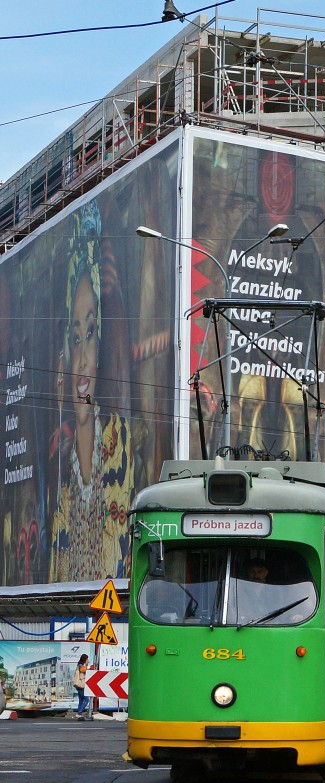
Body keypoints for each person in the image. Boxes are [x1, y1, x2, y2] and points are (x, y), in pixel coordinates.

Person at [50, 200, 133, 583]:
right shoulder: (62, 467)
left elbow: (124, 556)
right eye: (75, 339)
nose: (83, 359)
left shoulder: (120, 440)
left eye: (91, 334)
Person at [72, 654, 90, 721]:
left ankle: (79, 713)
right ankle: (79, 713)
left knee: (81, 701)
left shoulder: (79, 665)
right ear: (85, 659)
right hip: (81, 685)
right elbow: (83, 670)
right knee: (87, 700)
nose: (88, 660)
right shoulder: (81, 666)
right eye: (87, 659)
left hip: (78, 685)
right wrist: (88, 666)